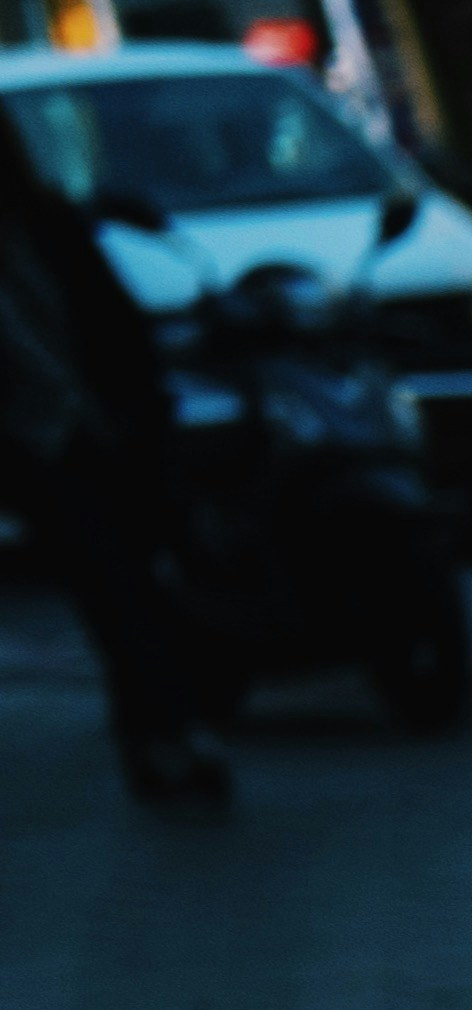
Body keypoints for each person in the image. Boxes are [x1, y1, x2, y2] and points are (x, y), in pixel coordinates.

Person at [0, 117, 230, 815]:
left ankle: (164, 727)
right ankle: (163, 730)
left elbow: (110, 324)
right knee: (116, 586)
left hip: (97, 426)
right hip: (52, 439)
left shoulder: (49, 225)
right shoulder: (47, 225)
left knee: (131, 579)